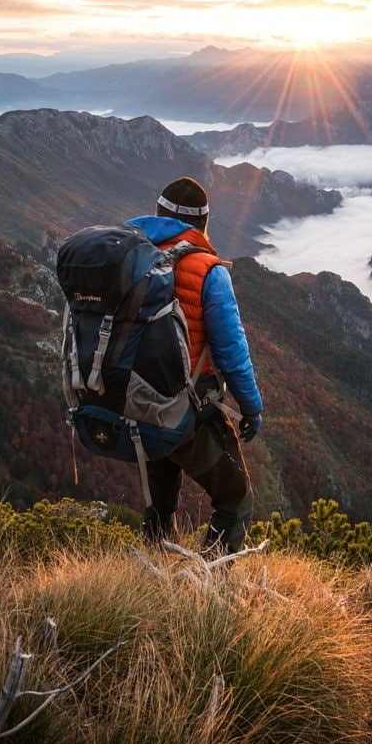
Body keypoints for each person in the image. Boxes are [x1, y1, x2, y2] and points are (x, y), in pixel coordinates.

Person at [124, 177, 263, 553]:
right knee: (236, 503)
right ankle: (206, 592)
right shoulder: (208, 271)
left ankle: (151, 581)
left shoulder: (128, 256)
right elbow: (233, 353)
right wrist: (251, 408)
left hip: (136, 402)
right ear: (203, 223)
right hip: (190, 409)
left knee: (160, 504)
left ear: (157, 213)